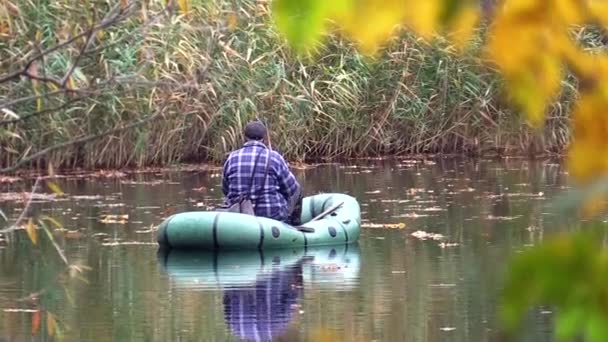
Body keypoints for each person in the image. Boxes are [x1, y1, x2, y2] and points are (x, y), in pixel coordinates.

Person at [221, 120, 303, 224]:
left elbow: (225, 190)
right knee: (298, 190)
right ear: (264, 138)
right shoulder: (275, 157)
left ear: (245, 137)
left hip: (239, 217)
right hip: (272, 217)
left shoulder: (231, 157)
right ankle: (295, 226)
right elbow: (292, 189)